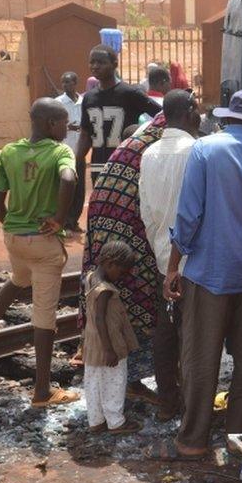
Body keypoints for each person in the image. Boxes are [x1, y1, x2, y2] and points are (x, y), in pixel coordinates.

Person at [147, 90, 242, 461]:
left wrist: (174, 265)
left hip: (208, 274)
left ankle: (193, 439)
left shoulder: (205, 150)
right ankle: (237, 440)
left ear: (227, 117)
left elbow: (189, 214)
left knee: (200, 359)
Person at [0, 98, 79, 407]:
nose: (65, 128)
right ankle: (43, 392)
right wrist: (58, 218)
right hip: (44, 243)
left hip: (14, 237)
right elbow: (69, 178)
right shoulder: (60, 152)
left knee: (18, 279)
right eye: (62, 123)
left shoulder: (9, 152)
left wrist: (13, 226)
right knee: (44, 316)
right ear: (49, 124)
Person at [79, 111, 166, 408]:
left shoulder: (130, 150)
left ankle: (120, 383)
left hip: (110, 237)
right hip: (128, 241)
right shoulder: (155, 149)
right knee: (137, 305)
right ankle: (130, 381)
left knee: (120, 304)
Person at [139, 89, 200, 422]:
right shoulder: (198, 151)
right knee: (192, 336)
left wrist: (163, 255)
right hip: (195, 261)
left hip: (164, 256)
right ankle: (192, 406)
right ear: (190, 112)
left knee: (165, 331)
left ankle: (168, 402)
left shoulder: (149, 154)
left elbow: (145, 211)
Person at [77, 45, 161, 184]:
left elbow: (161, 115)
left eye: (101, 62)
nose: (95, 66)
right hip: (99, 166)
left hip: (126, 165)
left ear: (115, 64)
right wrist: (77, 160)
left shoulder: (130, 93)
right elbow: (85, 134)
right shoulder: (89, 97)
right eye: (92, 62)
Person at [83, 240, 142, 435]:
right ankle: (116, 422)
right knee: (115, 382)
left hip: (92, 343)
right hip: (110, 343)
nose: (122, 277)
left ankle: (96, 421)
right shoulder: (105, 290)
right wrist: (109, 349)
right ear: (110, 263)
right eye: (121, 271)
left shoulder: (91, 277)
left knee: (93, 381)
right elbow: (101, 319)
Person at [56, 71, 85, 234]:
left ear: (75, 83)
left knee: (79, 189)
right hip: (63, 152)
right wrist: (68, 127)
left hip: (79, 151)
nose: (66, 86)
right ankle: (65, 221)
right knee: (65, 187)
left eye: (68, 82)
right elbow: (51, 124)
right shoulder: (58, 103)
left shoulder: (83, 102)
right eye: (63, 83)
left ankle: (74, 221)